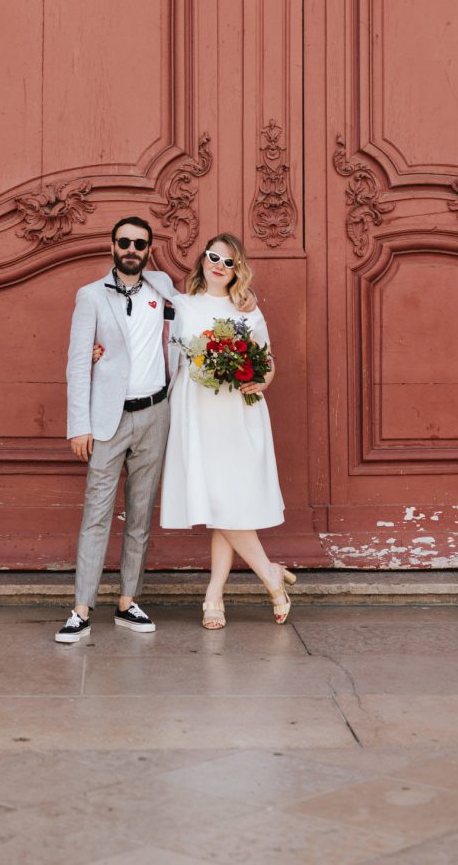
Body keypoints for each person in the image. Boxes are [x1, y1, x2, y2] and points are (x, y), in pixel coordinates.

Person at [159, 233, 294, 628]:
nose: (219, 265)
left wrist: (263, 381)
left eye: (229, 261)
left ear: (238, 271)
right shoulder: (180, 305)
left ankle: (215, 595)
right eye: (213, 256)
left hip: (236, 412)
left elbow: (267, 362)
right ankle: (267, 573)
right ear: (202, 259)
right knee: (221, 503)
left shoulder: (247, 311)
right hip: (195, 411)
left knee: (226, 503)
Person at [55, 217, 177, 644]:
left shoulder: (164, 290)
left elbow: (196, 317)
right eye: (124, 242)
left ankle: (128, 602)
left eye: (139, 244)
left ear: (148, 249)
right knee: (97, 514)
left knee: (141, 514)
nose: (131, 249)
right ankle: (81, 609)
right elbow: (76, 362)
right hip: (107, 420)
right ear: (112, 246)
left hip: (154, 415)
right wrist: (79, 425)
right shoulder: (89, 296)